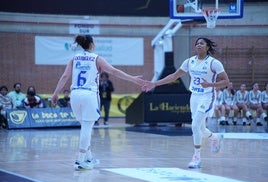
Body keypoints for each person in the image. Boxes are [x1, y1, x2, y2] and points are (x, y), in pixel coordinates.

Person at [51, 34, 144, 170]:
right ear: (92, 44)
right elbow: (113, 71)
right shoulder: (96, 58)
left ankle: (89, 157)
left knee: (84, 126)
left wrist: (55, 93)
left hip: (75, 94)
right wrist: (133, 79)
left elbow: (65, 76)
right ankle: (80, 160)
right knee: (87, 128)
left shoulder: (73, 58)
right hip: (89, 94)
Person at [143, 37, 229, 168]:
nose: (198, 45)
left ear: (207, 47)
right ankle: (215, 137)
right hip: (194, 96)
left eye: (202, 43)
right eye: (197, 43)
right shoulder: (190, 62)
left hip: (207, 96)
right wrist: (154, 83)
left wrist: (210, 84)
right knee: (200, 128)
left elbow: (226, 82)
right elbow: (173, 76)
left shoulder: (214, 63)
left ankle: (197, 158)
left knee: (194, 126)